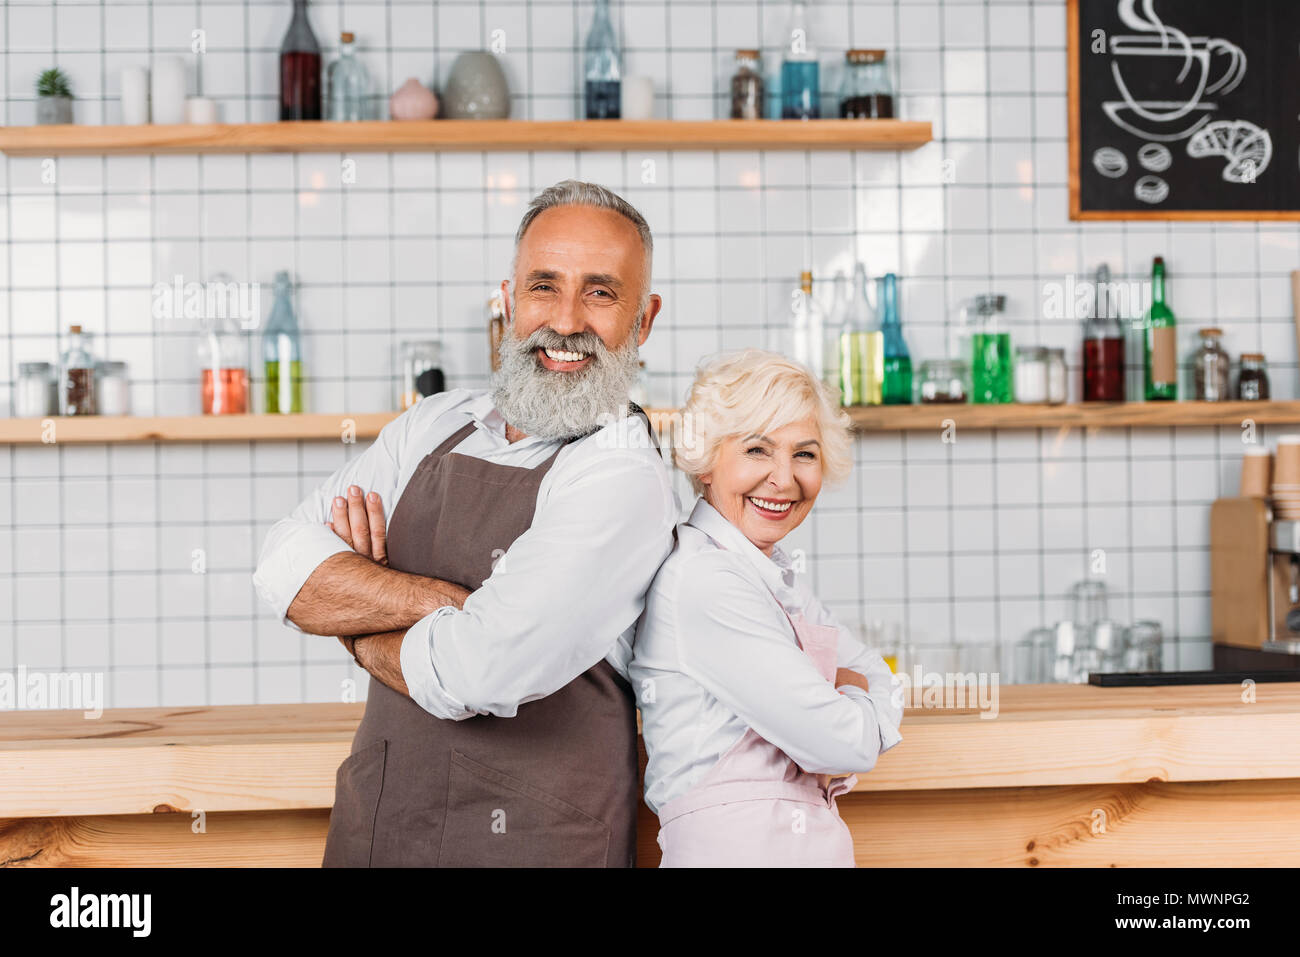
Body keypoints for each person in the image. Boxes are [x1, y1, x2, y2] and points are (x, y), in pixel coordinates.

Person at [253, 180, 676, 867]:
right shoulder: (434, 422)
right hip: (381, 832)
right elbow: (282, 568)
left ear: (645, 319)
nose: (565, 321)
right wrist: (449, 604)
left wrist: (358, 625)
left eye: (600, 292)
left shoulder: (623, 475)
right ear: (509, 300)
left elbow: (479, 671)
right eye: (544, 286)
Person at [630, 349, 903, 867]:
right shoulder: (704, 581)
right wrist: (855, 704)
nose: (783, 478)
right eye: (757, 449)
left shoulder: (768, 574)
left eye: (805, 454)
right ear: (706, 460)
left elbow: (874, 669)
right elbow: (844, 743)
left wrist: (851, 694)